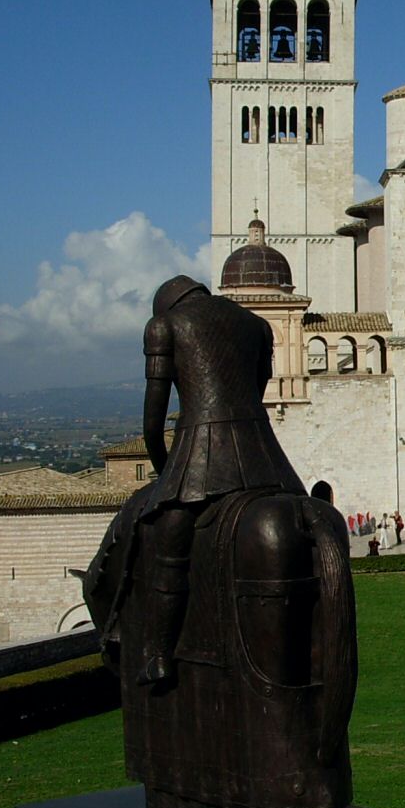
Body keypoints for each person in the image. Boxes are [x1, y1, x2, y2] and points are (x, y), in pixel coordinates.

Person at [134, 275, 306, 685]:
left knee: (170, 548)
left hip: (199, 455)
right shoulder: (256, 325)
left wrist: (165, 472)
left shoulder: (165, 326)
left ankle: (158, 654)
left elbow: (153, 421)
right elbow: (257, 388)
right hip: (266, 457)